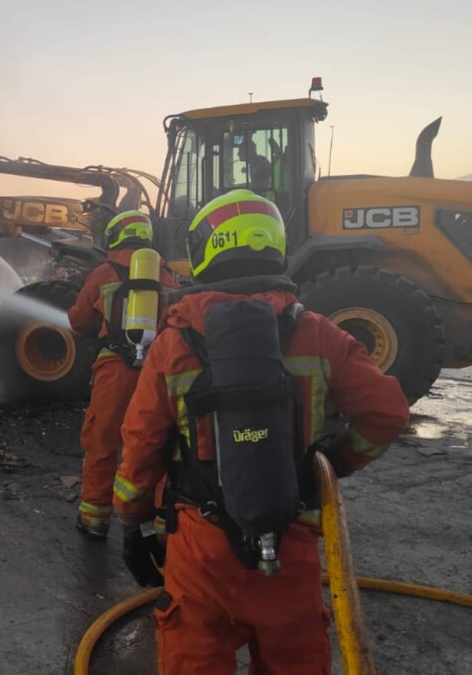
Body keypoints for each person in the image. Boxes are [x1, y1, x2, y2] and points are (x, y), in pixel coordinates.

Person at [112, 189, 410, 674]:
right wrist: (337, 462)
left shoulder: (174, 342)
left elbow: (142, 443)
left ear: (208, 248)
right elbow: (388, 413)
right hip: (289, 540)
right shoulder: (318, 334)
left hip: (201, 549)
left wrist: (132, 521)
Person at [68, 210, 180, 540]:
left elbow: (79, 320)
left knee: (101, 440)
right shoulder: (168, 275)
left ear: (116, 234)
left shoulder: (104, 272)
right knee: (160, 442)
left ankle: (94, 517)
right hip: (160, 371)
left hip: (116, 368)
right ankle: (159, 523)